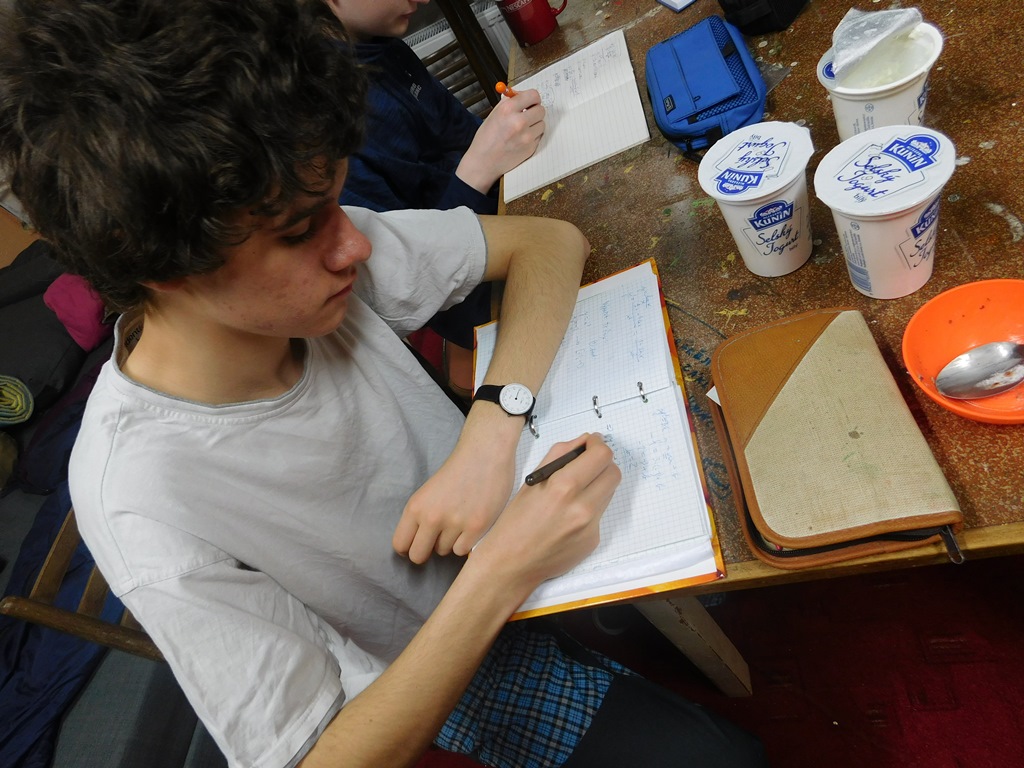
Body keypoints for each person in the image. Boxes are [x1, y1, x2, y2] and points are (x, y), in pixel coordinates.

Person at [0, 2, 768, 767]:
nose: (355, 245)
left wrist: (486, 437)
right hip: (446, 657)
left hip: (508, 506)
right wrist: (502, 573)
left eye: (335, 200)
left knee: (741, 490)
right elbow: (320, 757)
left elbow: (549, 243)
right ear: (163, 265)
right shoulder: (142, 499)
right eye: (300, 232)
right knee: (721, 759)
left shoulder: (317, 247)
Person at [323, 0, 548, 395]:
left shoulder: (382, 43)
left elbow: (460, 131)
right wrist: (476, 170)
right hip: (468, 295)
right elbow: (413, 278)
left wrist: (502, 136)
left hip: (502, 217)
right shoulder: (321, 127)